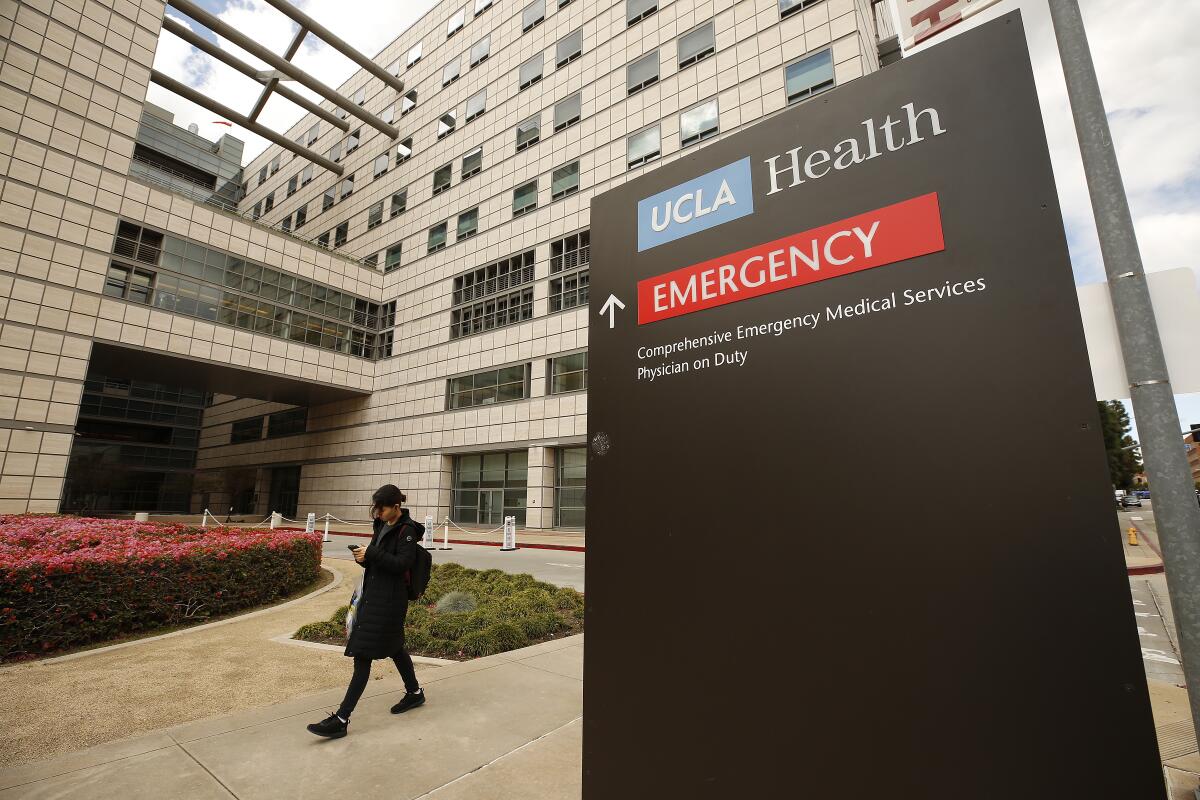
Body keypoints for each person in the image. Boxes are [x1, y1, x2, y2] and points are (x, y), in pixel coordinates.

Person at [307, 484, 427, 738]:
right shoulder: (381, 525)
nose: (378, 513)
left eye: (382, 509)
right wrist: (364, 558)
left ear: (396, 506)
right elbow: (380, 561)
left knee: (362, 654)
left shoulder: (407, 531)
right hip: (374, 596)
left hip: (390, 601)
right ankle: (415, 693)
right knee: (395, 648)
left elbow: (402, 564)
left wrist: (372, 553)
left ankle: (341, 718)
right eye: (376, 509)